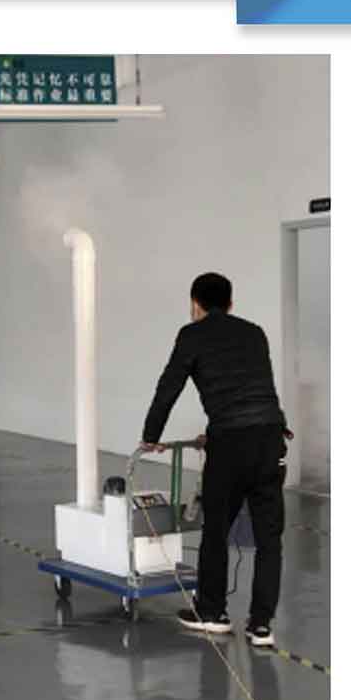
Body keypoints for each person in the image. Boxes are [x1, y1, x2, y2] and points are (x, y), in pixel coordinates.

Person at [140, 272, 292, 647]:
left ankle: (212, 613)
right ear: (231, 303)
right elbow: (259, 387)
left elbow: (168, 387)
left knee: (216, 529)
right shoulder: (254, 333)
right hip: (270, 439)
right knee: (269, 537)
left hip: (229, 444)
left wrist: (151, 436)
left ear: (195, 304)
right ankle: (261, 625)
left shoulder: (191, 335)